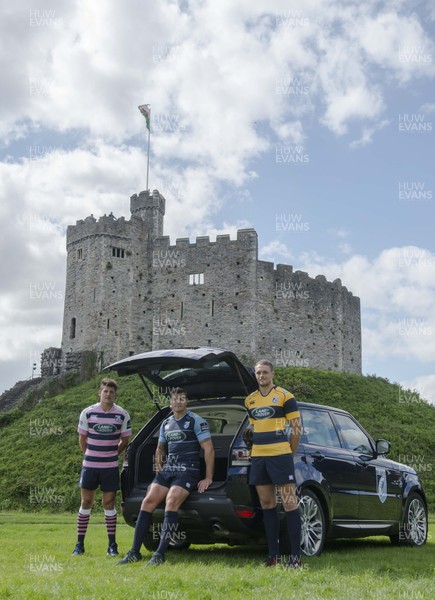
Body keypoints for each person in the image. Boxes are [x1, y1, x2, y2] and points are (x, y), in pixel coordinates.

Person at [118, 387, 214, 566]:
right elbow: (160, 449)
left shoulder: (196, 420)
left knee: (171, 502)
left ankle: (160, 554)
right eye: (175, 398)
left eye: (182, 398)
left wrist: (208, 477)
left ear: (187, 401)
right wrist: (158, 472)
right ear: (170, 402)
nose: (178, 401)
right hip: (168, 470)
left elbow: (208, 448)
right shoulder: (166, 423)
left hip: (187, 470)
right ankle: (134, 552)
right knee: (147, 502)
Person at [244, 359, 302, 568]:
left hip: (280, 456)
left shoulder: (286, 397)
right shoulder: (249, 400)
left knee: (289, 503)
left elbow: (296, 429)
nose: (261, 376)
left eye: (265, 372)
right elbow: (253, 429)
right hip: (259, 457)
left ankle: (295, 558)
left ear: (272, 374)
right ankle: (273, 556)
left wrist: (289, 453)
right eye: (258, 373)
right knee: (267, 504)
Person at [72, 378, 131, 556]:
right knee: (86, 502)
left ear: (115, 395)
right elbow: (82, 439)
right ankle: (79, 545)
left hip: (110, 467)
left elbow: (125, 440)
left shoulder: (122, 414)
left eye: (111, 392)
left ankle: (112, 546)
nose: (108, 394)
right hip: (90, 465)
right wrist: (90, 455)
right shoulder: (88, 413)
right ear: (100, 393)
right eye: (105, 391)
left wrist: (112, 454)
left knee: (108, 503)